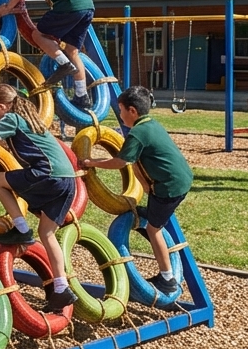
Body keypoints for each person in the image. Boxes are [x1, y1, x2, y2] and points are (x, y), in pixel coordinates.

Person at [0, 83, 79, 313]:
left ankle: (21, 228)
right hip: (68, 180)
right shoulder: (30, 120)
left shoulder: (12, 118)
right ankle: (62, 288)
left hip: (48, 175)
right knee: (47, 233)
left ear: (2, 107)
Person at [79, 85, 191, 297]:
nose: (120, 115)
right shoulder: (151, 124)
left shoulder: (137, 133)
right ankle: (167, 271)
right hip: (180, 179)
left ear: (132, 111)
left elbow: (120, 162)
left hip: (169, 187)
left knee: (153, 229)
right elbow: (137, 162)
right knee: (154, 218)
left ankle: (167, 278)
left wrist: (90, 162)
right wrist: (146, 184)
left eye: (121, 110)